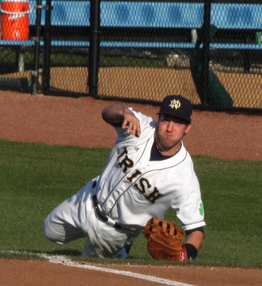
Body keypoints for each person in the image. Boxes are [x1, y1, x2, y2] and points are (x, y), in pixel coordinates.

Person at [43, 95, 205, 260]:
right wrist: (124, 112)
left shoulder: (184, 177)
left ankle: (121, 249)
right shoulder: (141, 126)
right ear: (159, 119)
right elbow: (107, 113)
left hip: (114, 233)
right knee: (50, 231)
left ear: (188, 128)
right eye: (166, 120)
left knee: (88, 270)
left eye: (178, 123)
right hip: (85, 202)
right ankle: (119, 251)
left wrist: (187, 254)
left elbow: (196, 228)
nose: (170, 128)